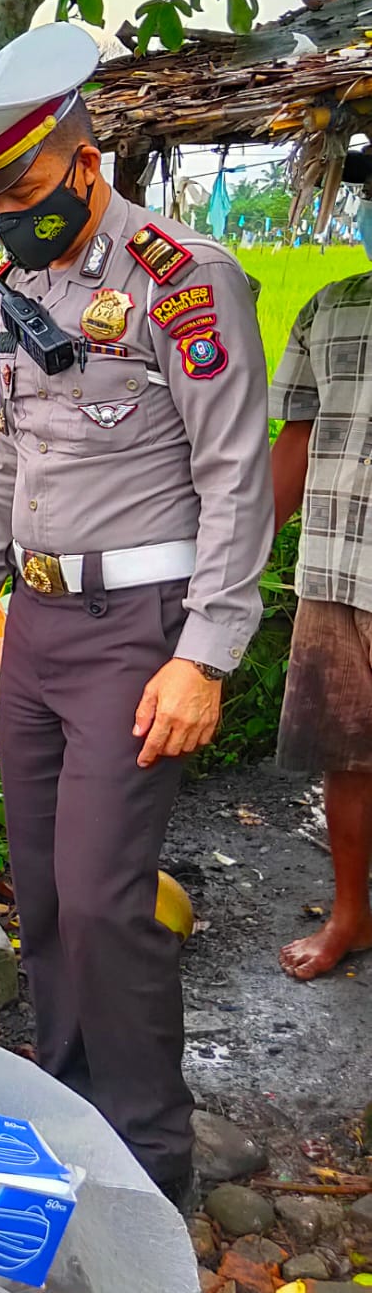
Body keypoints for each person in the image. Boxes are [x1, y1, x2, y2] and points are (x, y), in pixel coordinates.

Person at [0, 22, 271, 1201]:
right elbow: (11, 456)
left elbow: (233, 474)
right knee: (46, 893)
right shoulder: (21, 280)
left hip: (139, 632)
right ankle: (60, 1118)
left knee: (109, 901)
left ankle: (149, 1166)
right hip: (39, 626)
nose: (3, 216)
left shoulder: (184, 279)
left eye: (17, 188)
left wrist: (205, 656)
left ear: (82, 160)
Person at [270, 176, 372, 981]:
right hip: (334, 572)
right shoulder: (327, 307)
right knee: (346, 755)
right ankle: (348, 914)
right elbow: (295, 440)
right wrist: (242, 554)